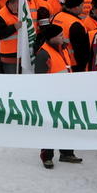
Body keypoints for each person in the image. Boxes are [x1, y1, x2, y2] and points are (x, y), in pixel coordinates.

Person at [34, 23, 82, 169]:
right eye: (60, 35)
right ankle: (47, 156)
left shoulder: (64, 49)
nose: (63, 37)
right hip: (52, 98)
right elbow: (40, 79)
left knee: (67, 125)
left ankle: (67, 153)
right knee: (50, 127)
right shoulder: (43, 54)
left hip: (67, 94)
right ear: (52, 38)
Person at [52, 0, 90, 72]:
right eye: (81, 6)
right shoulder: (76, 24)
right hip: (74, 63)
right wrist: (83, 66)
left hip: (58, 59)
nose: (83, 8)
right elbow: (81, 50)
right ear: (76, 7)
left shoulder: (57, 16)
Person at [0, 0, 22, 73]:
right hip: (9, 57)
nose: (20, 7)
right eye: (19, 5)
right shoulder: (1, 15)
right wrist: (14, 27)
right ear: (14, 2)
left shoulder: (20, 13)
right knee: (12, 83)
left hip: (22, 55)